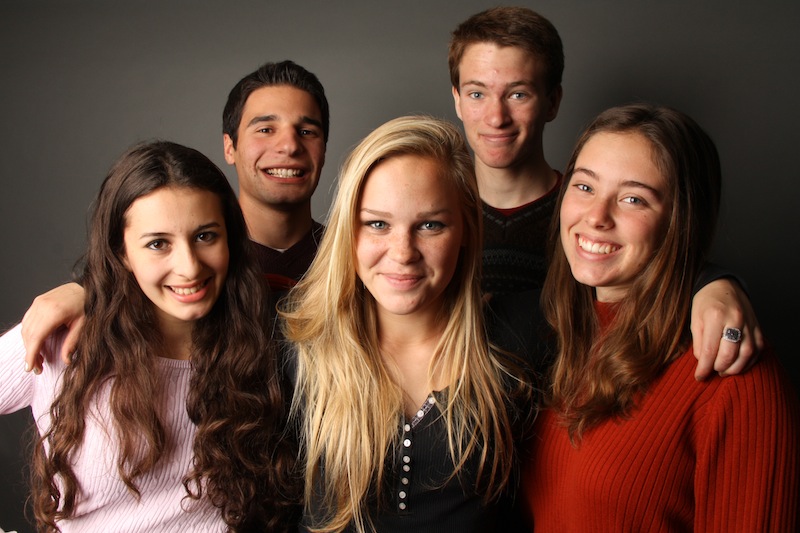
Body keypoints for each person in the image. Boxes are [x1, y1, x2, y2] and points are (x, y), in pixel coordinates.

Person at [523, 104, 799, 531]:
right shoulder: (559, 340)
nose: (596, 217)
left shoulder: (732, 374)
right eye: (584, 187)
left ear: (679, 221)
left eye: (633, 199)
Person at [448, 6, 762, 378]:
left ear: (552, 102)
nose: (496, 117)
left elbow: (663, 264)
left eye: (518, 94)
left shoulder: (586, 215)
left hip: (571, 417)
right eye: (477, 93)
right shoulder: (432, 217)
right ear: (457, 99)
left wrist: (714, 284)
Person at [0, 141, 298, 531]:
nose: (189, 267)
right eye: (158, 244)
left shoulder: (264, 340)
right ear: (121, 252)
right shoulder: (63, 339)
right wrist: (85, 291)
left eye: (206, 236)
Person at [280, 115, 534, 532]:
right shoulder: (296, 346)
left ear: (466, 229)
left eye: (430, 225)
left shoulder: (518, 340)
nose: (403, 252)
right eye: (378, 224)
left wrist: (687, 302)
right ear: (349, 231)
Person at [20, 60, 329, 368]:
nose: (289, 146)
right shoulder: (186, 272)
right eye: (265, 129)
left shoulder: (357, 259)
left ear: (324, 148)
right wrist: (87, 294)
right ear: (229, 147)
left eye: (306, 131)